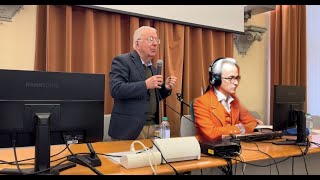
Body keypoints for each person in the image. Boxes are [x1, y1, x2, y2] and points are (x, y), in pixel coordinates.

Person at [108, 26, 177, 140]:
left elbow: (153, 96)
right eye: (150, 39)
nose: (155, 44)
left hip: (153, 128)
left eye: (156, 40)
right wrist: (145, 84)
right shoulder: (122, 61)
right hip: (129, 130)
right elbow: (116, 89)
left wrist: (166, 87)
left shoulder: (152, 68)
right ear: (137, 44)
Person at [193, 57, 257, 142]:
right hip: (212, 151)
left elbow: (252, 122)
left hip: (236, 148)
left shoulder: (235, 100)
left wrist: (225, 130)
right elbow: (211, 134)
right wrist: (239, 128)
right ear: (216, 79)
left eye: (237, 78)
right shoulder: (201, 102)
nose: (236, 83)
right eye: (231, 78)